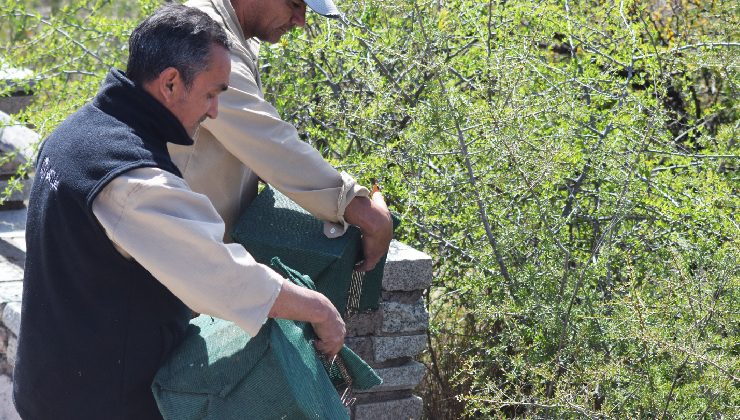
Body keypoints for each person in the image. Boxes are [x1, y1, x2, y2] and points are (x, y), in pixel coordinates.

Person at [14, 4, 344, 419]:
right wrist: (320, 309)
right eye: (211, 94)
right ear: (170, 82)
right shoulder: (132, 180)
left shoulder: (73, 134)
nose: (214, 112)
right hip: (99, 401)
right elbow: (223, 276)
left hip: (50, 383)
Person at [171, 0, 393, 273]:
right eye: (294, 4)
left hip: (195, 254)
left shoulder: (234, 35)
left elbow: (251, 142)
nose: (300, 20)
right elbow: (268, 141)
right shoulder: (203, 38)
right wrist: (362, 210)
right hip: (171, 259)